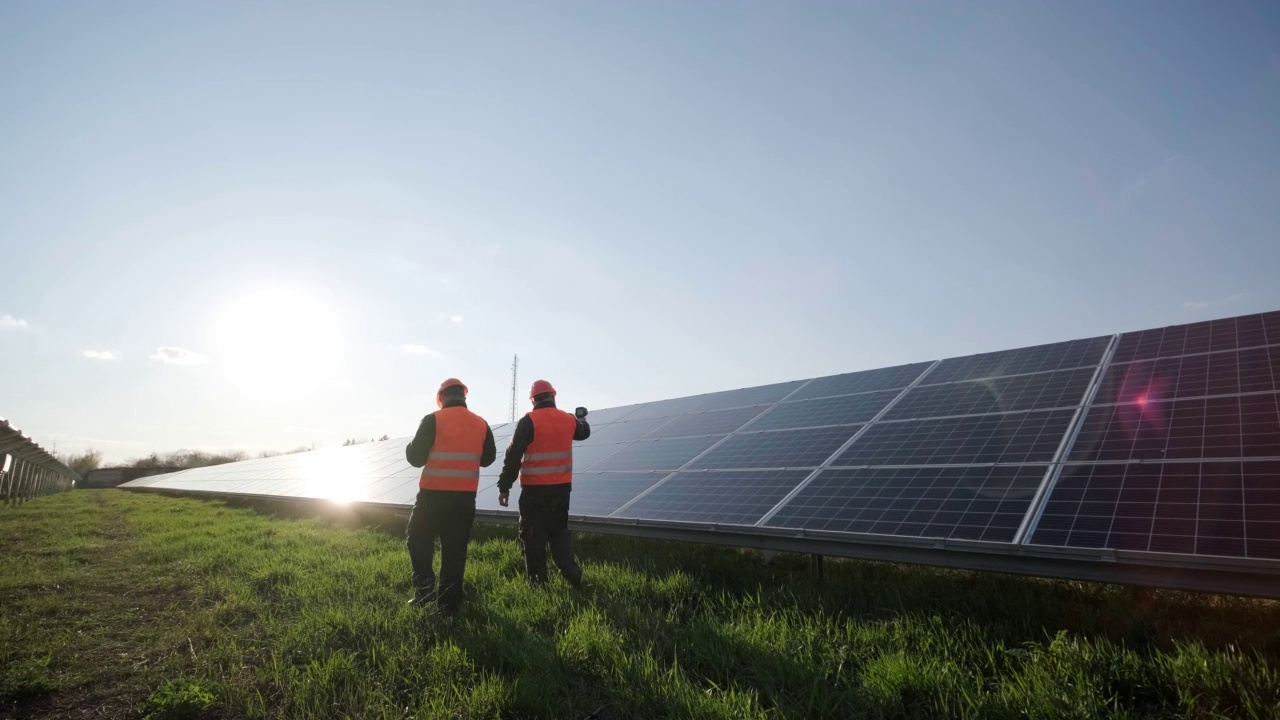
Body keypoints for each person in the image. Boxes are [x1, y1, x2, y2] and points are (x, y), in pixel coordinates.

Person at [404, 377, 496, 612]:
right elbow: (488, 459)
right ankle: (449, 603)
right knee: (455, 550)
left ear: (441, 398)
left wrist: (409, 447)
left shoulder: (432, 420)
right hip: (463, 499)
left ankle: (424, 592)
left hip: (431, 498)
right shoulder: (481, 423)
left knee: (419, 539)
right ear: (464, 396)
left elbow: (415, 459)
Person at [497, 379, 591, 587]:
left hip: (534, 492)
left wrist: (504, 487)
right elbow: (584, 433)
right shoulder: (568, 420)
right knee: (559, 531)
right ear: (553, 396)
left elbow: (513, 456)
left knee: (533, 536)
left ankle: (539, 584)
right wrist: (581, 419)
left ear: (533, 399)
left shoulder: (528, 421)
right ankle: (571, 572)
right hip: (561, 491)